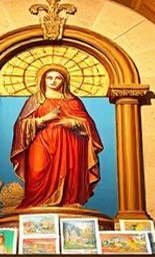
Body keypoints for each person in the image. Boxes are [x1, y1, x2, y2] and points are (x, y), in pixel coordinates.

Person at [10, 65, 103, 209]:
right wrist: (44, 119)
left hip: (70, 146)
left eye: (58, 78)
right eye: (49, 78)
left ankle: (69, 202)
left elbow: (88, 124)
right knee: (37, 171)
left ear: (64, 81)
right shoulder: (35, 101)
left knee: (71, 173)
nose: (53, 81)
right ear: (43, 80)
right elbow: (21, 126)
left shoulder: (74, 101)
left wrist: (73, 123)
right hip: (41, 143)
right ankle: (36, 204)